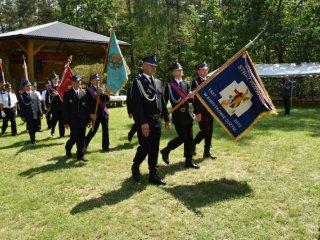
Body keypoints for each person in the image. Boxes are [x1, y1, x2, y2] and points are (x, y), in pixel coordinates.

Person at [130, 56, 170, 185]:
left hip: (156, 120)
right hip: (145, 121)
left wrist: (167, 117)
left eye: (155, 66)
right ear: (144, 66)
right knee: (146, 147)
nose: (154, 68)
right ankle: (135, 166)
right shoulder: (138, 82)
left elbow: (161, 101)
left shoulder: (158, 82)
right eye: (152, 66)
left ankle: (153, 174)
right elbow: (137, 105)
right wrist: (142, 123)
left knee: (154, 148)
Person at [161, 62, 199, 169]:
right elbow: (164, 102)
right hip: (178, 115)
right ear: (173, 72)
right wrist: (165, 116)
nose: (180, 71)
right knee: (182, 137)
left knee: (190, 139)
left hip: (187, 114)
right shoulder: (169, 85)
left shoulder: (186, 84)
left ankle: (189, 161)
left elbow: (189, 100)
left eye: (181, 70)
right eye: (177, 70)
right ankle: (166, 150)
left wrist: (191, 96)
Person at [191, 62, 216, 159]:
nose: (204, 71)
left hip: (210, 110)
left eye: (206, 70)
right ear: (198, 71)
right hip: (201, 110)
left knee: (210, 132)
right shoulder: (195, 82)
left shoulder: (210, 80)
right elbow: (194, 100)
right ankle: (193, 143)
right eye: (202, 70)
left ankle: (207, 152)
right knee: (205, 130)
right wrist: (197, 112)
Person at [63, 74, 90, 161]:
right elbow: (65, 109)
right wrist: (66, 122)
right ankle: (68, 147)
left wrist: (88, 120)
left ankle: (80, 155)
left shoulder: (83, 93)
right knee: (74, 137)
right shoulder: (67, 93)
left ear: (80, 83)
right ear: (72, 83)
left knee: (81, 138)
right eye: (75, 82)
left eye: (78, 82)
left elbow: (86, 108)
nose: (77, 84)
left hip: (82, 120)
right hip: (73, 120)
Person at [85, 73, 110, 151]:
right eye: (96, 80)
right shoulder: (89, 90)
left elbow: (108, 98)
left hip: (104, 113)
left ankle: (105, 146)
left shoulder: (102, 88)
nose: (97, 81)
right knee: (93, 130)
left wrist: (102, 93)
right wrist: (90, 114)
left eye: (98, 80)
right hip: (95, 114)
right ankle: (85, 143)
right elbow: (87, 104)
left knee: (105, 130)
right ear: (91, 81)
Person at [46, 72, 64, 137]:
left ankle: (62, 134)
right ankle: (53, 129)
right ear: (52, 80)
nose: (55, 80)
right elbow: (48, 96)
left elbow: (63, 94)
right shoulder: (49, 87)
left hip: (61, 106)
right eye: (54, 79)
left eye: (56, 79)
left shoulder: (60, 86)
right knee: (55, 119)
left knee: (62, 120)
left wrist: (58, 94)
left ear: (58, 79)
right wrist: (48, 106)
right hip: (54, 106)